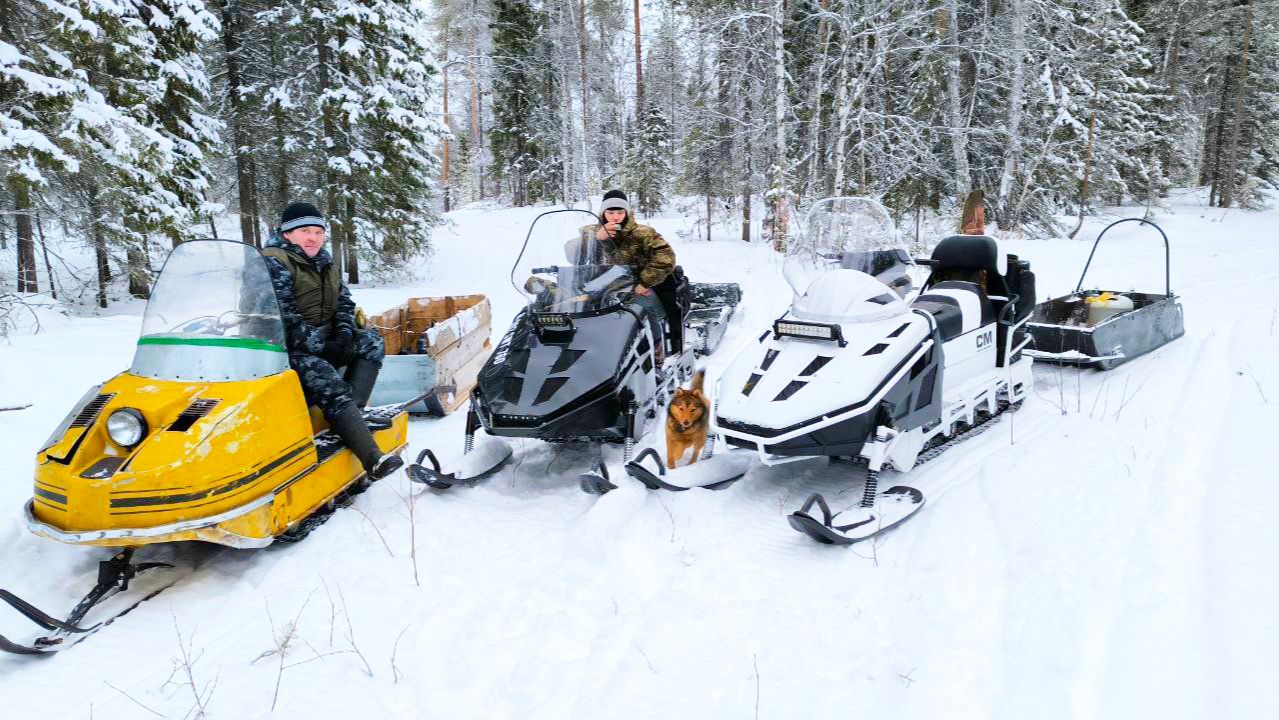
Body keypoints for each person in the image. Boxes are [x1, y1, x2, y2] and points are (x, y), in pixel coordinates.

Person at [262, 202, 403, 480]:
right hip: (282, 348)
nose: (312, 237)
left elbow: (343, 302)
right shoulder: (273, 263)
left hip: (323, 339)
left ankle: (351, 414)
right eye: (305, 231)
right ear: (287, 234)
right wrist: (324, 348)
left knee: (371, 342)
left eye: (318, 231)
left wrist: (345, 335)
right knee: (324, 375)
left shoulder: (324, 261)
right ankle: (373, 459)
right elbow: (283, 319)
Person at [582, 189, 683, 356]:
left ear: (627, 212)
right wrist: (595, 239)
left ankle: (657, 353)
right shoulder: (591, 232)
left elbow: (666, 257)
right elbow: (575, 256)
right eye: (611, 212)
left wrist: (644, 282)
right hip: (606, 284)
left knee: (643, 309)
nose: (615, 217)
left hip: (643, 284)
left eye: (620, 212)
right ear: (603, 213)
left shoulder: (643, 233)